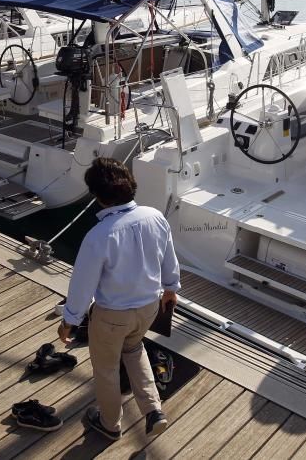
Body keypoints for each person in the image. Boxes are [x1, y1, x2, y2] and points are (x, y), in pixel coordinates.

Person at [58, 157, 180, 441]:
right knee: (134, 350)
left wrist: (69, 321)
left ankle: (110, 424)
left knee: (107, 368)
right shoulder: (154, 216)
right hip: (149, 307)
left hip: (112, 315)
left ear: (98, 196)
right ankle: (153, 409)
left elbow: (82, 286)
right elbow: (169, 258)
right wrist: (171, 288)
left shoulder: (99, 235)